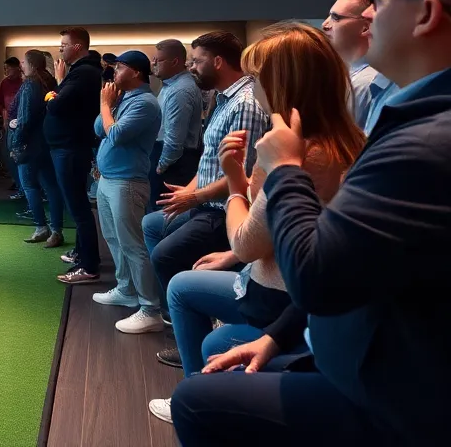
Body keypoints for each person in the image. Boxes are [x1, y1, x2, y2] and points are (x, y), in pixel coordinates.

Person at [170, 0, 451, 447]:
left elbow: (317, 274)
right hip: (339, 348)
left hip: (389, 396)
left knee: (196, 399)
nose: (367, 15)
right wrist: (277, 339)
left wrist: (280, 172)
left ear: (428, 14)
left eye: (381, 0)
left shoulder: (426, 141)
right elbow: (353, 257)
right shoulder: (409, 120)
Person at [148, 23, 361, 423]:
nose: (253, 86)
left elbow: (250, 241)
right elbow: (277, 223)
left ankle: (200, 400)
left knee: (203, 321)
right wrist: (233, 247)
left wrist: (233, 183)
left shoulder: (297, 152)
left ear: (280, 83)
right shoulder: (342, 137)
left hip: (279, 296)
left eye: (259, 77)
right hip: (282, 285)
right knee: (180, 282)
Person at [145, 32, 268, 366]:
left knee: (166, 256)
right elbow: (212, 159)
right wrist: (189, 192)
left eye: (197, 60)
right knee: (153, 225)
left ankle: (191, 324)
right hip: (206, 200)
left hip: (223, 209)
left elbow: (238, 174)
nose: (191, 66)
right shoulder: (224, 97)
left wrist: (194, 196)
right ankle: (177, 320)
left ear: (217, 61)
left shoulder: (245, 104)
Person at [92, 51, 164, 333]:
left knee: (133, 245)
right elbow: (100, 128)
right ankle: (126, 289)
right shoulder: (125, 99)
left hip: (128, 183)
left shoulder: (146, 103)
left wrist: (105, 104)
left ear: (135, 72)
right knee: (114, 238)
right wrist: (109, 105)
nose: (114, 73)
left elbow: (118, 134)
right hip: (109, 180)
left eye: (119, 68)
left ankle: (150, 309)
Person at [46, 27, 103, 284]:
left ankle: (89, 265)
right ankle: (82, 253)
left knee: (78, 207)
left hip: (70, 148)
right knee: (77, 205)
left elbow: (57, 105)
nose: (60, 49)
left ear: (77, 46)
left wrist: (53, 92)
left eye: (63, 45)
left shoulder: (84, 73)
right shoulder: (80, 72)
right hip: (68, 146)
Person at [9, 50, 64, 247]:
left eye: (23, 61)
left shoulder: (30, 84)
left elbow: (24, 118)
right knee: (51, 187)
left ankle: (41, 227)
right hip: (47, 142)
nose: (21, 64)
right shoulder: (49, 81)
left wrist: (16, 144)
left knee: (29, 186)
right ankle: (56, 230)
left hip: (30, 144)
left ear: (30, 64)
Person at [323, 0, 392, 129]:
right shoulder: (353, 78)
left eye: (335, 17)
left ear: (366, 27)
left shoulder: (365, 83)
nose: (325, 24)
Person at [149, 39, 204, 214]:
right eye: (154, 60)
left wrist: (160, 167)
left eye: (159, 60)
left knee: (164, 217)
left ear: (175, 62)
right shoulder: (170, 85)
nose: (154, 64)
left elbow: (174, 140)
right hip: (171, 158)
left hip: (175, 163)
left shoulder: (180, 90)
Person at [0, 57, 25, 198]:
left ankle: (24, 187)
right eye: (5, 68)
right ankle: (18, 183)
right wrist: (3, 112)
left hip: (22, 124)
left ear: (17, 68)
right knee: (9, 155)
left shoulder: (24, 83)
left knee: (20, 155)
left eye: (8, 68)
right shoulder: (4, 83)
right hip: (9, 125)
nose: (6, 71)